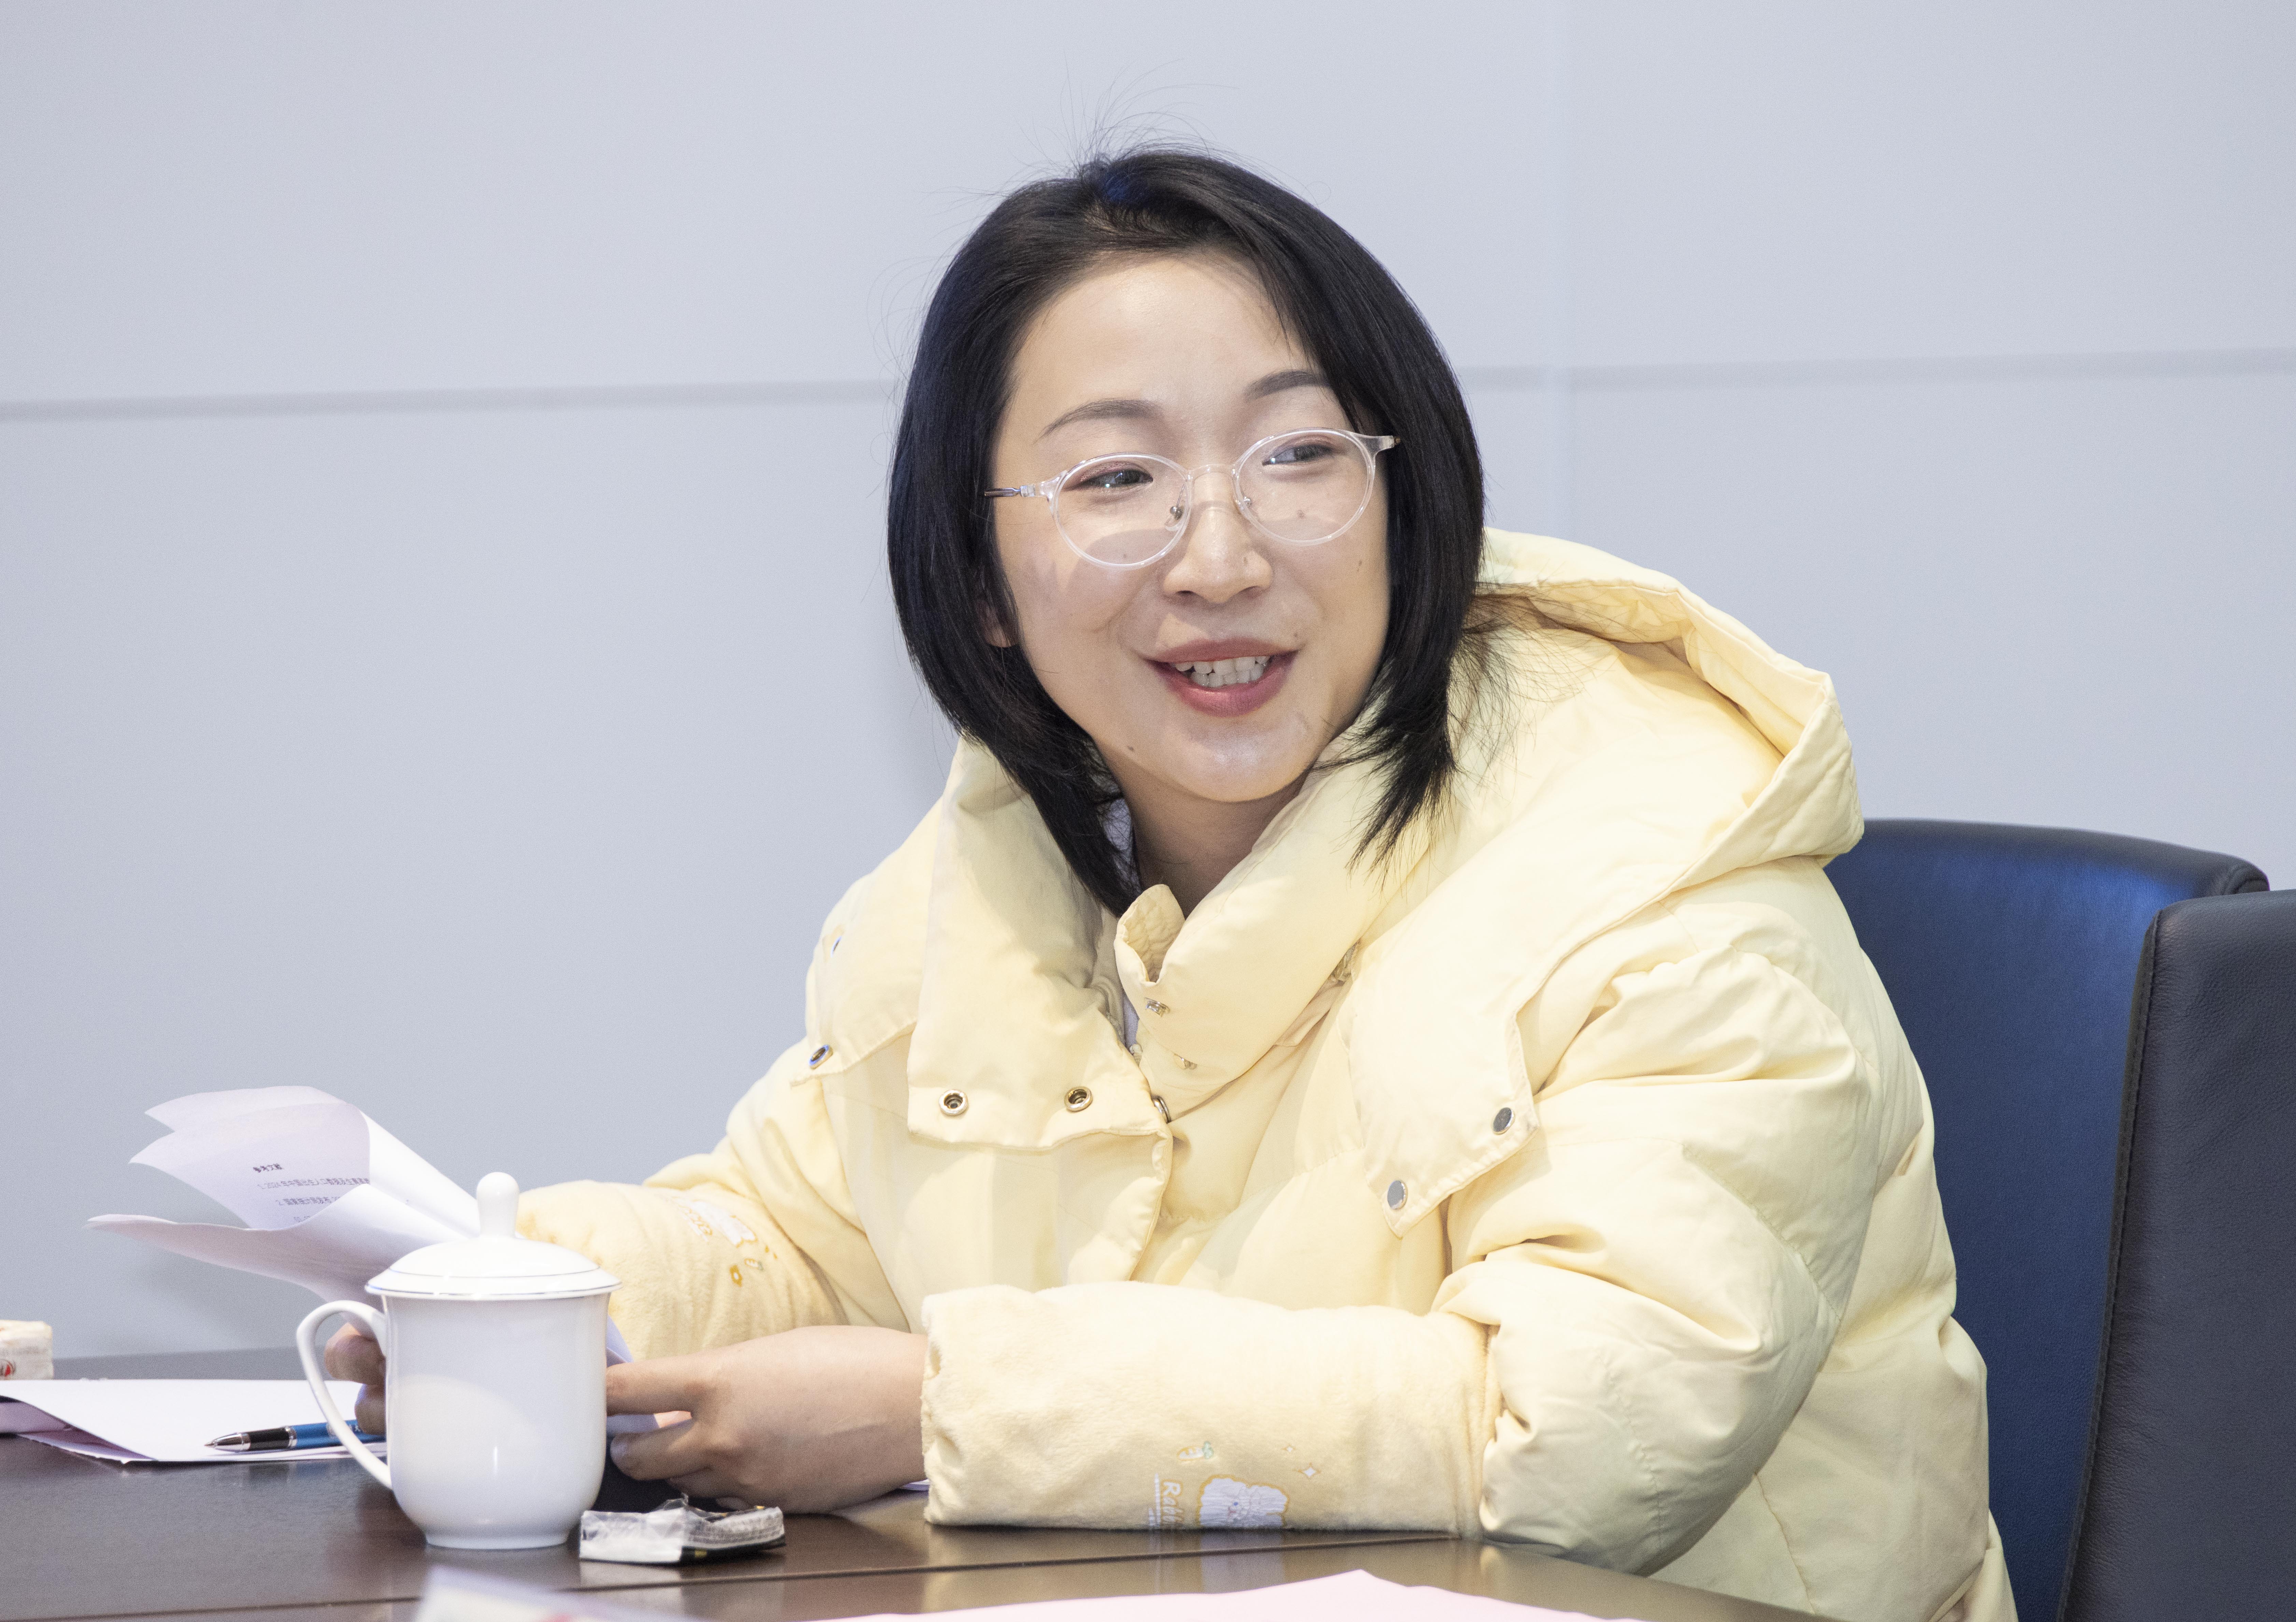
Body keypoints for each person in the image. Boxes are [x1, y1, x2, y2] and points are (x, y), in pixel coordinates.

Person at [329, 150, 2011, 1622]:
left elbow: (1578, 1433)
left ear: (1404, 501)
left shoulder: (1667, 887)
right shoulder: (989, 883)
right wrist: (528, 1297)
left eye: (1297, 456)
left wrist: (940, 1407)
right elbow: (793, 1240)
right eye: (1115, 479)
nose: (1221, 557)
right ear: (983, 586)